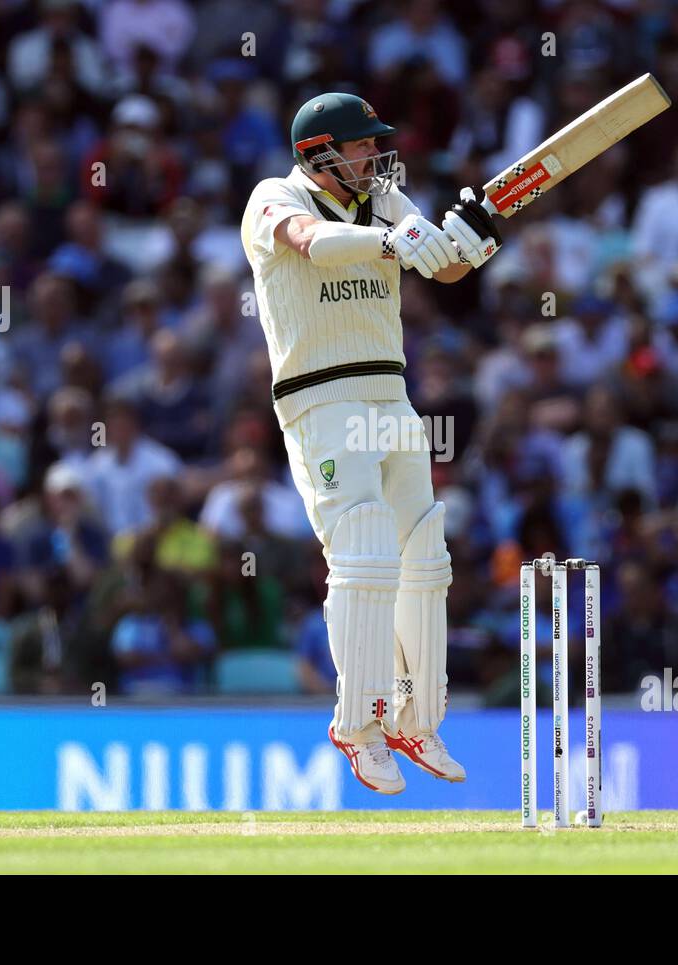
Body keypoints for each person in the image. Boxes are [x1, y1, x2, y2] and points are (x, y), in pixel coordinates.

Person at [239, 92, 501, 793]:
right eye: (360, 147)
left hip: (390, 392)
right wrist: (396, 240)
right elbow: (312, 244)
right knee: (364, 551)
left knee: (425, 552)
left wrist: (469, 236)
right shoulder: (273, 195)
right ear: (320, 153)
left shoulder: (383, 198)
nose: (373, 157)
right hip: (321, 397)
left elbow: (441, 267)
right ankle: (359, 725)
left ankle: (420, 719)